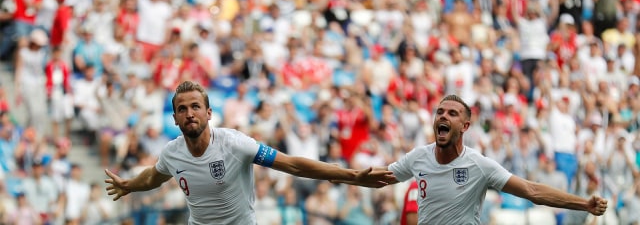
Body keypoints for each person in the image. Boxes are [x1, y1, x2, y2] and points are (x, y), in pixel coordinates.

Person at [105, 80, 394, 224]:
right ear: (175, 119)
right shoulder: (172, 153)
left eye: (195, 107)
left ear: (208, 113)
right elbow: (154, 178)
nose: (189, 113)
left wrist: (353, 175)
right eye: (182, 109)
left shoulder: (235, 144)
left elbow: (292, 165)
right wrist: (128, 185)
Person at [334, 94, 609, 224]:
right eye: (440, 112)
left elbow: (532, 191)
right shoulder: (417, 158)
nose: (443, 116)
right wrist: (292, 165)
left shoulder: (479, 165)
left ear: (465, 126)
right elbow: (366, 178)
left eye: (453, 114)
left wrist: (583, 203)